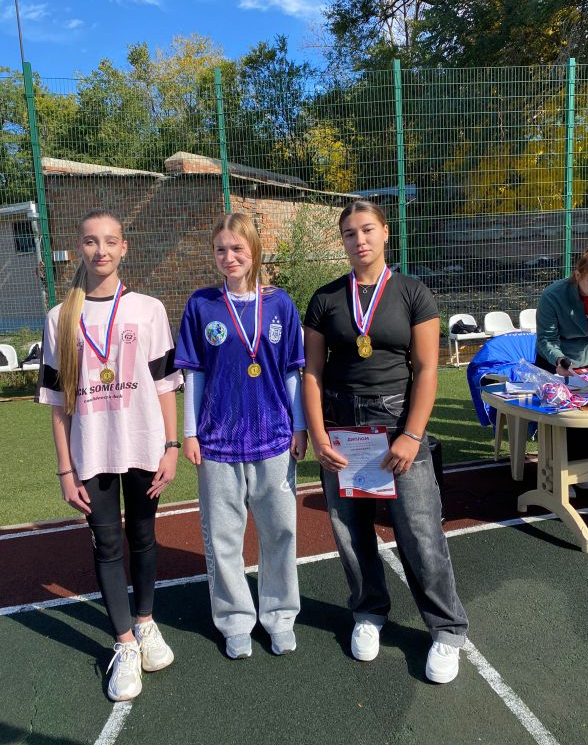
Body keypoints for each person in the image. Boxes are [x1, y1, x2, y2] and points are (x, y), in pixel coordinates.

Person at [302, 200, 468, 683]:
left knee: (419, 530)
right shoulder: (325, 298)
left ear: (385, 233)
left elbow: (428, 369)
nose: (360, 240)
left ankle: (446, 629)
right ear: (342, 240)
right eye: (350, 233)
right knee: (350, 529)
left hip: (397, 422)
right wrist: (318, 434)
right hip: (342, 426)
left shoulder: (413, 292)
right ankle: (368, 611)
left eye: (367, 230)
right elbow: (312, 372)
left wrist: (412, 434)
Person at [37, 210, 183, 702]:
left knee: (143, 537)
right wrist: (65, 468)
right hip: (92, 451)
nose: (100, 250)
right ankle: (123, 644)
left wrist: (171, 446)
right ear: (78, 248)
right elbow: (58, 405)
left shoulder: (148, 309)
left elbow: (164, 385)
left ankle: (145, 622)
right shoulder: (60, 317)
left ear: (125, 248)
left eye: (110, 241)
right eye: (90, 241)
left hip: (144, 444)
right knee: (107, 544)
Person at [175, 213, 306, 659]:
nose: (229, 257)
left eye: (237, 248)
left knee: (280, 532)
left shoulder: (280, 304)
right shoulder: (202, 304)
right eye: (221, 249)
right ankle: (234, 620)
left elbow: (292, 372)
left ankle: (280, 615)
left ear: (254, 251)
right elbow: (193, 374)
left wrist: (300, 426)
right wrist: (189, 433)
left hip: (274, 437)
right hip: (218, 441)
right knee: (223, 538)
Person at [536, 245, 588, 467]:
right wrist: (559, 360)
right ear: (578, 275)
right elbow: (546, 338)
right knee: (568, 415)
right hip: (555, 360)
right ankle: (564, 470)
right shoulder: (553, 295)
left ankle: (582, 468)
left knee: (587, 414)